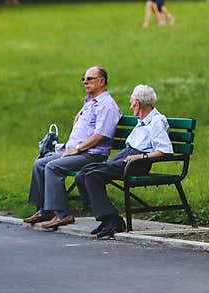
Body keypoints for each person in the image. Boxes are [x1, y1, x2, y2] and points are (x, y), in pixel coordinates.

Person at [23, 66, 122, 230]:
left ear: (101, 81)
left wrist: (77, 149)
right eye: (83, 78)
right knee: (39, 163)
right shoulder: (90, 103)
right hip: (77, 151)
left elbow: (101, 135)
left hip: (91, 155)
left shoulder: (107, 105)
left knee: (53, 167)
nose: (85, 82)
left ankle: (63, 214)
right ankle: (45, 209)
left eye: (90, 79)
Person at [74, 84, 173, 239]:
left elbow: (165, 150)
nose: (130, 105)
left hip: (137, 163)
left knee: (93, 176)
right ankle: (108, 218)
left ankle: (111, 219)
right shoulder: (142, 121)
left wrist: (140, 157)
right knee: (83, 174)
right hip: (126, 157)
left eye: (131, 102)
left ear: (137, 104)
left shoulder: (156, 121)